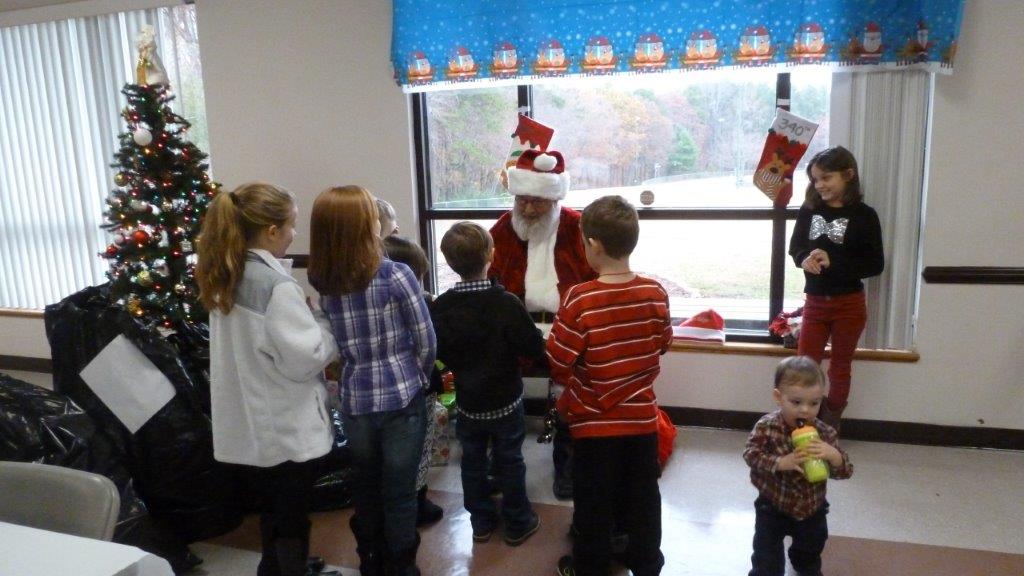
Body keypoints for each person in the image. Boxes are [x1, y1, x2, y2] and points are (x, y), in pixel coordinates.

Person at [196, 182, 339, 576]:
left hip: (249, 422)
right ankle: (286, 570)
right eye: (291, 225)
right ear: (272, 231)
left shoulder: (225, 271)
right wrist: (324, 324)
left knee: (271, 509)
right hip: (283, 426)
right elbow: (304, 359)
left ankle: (275, 566)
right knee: (291, 514)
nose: (295, 234)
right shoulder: (274, 287)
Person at [309, 186, 435, 576]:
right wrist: (421, 376)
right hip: (402, 398)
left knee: (365, 489)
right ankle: (402, 567)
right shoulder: (396, 275)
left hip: (354, 399)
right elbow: (426, 338)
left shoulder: (324, 282)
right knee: (399, 493)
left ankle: (370, 561)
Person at [548, 195, 672, 576]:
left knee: (593, 500)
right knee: (643, 497)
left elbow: (558, 361)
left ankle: (590, 566)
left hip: (593, 424)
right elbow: (662, 342)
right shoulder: (656, 292)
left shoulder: (580, 299)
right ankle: (646, 561)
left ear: (594, 245)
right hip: (640, 421)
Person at [489, 148, 596, 499]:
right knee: (494, 375)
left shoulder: (578, 229)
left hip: (567, 327)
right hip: (515, 329)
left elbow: (594, 283)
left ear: (554, 198)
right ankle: (500, 458)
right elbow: (490, 286)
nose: (529, 209)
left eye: (538, 202)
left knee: (572, 385)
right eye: (523, 200)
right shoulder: (503, 231)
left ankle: (567, 461)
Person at [432, 221, 546, 546]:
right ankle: (517, 522)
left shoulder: (441, 306)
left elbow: (438, 350)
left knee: (472, 461)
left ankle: (481, 521)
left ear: (449, 260)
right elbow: (533, 348)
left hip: (469, 402)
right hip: (506, 401)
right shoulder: (506, 303)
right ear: (491, 255)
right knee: (510, 459)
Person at [788, 146, 884, 431]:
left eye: (826, 178)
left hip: (849, 304)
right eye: (815, 179)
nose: (820, 185)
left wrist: (835, 261)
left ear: (848, 175)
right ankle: (801, 424)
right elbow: (795, 248)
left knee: (840, 368)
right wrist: (803, 259)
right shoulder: (809, 211)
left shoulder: (866, 216)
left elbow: (874, 264)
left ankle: (830, 426)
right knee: (804, 366)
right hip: (815, 302)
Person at [743, 356, 854, 576]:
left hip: (811, 509)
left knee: (809, 554)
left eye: (814, 403)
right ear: (778, 397)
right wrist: (780, 462)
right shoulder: (767, 427)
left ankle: (802, 562)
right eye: (796, 402)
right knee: (766, 559)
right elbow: (750, 455)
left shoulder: (824, 433)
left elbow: (846, 471)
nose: (805, 410)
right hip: (772, 505)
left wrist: (834, 456)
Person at [381, 234, 444, 527]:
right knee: (419, 448)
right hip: (420, 386)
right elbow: (429, 344)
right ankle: (417, 503)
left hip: (383, 392)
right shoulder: (423, 304)